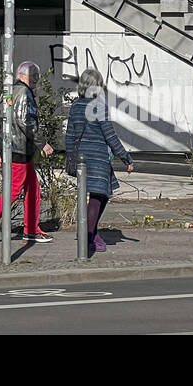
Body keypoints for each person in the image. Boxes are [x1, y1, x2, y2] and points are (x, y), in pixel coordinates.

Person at [0, 61, 54, 246]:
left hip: (10, 147)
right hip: (20, 149)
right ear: (30, 77)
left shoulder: (8, 92)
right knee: (14, 189)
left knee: (33, 187)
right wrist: (42, 143)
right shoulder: (25, 93)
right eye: (36, 78)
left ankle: (31, 230)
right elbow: (25, 121)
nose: (37, 81)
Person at [65, 67, 133, 256]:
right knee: (98, 196)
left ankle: (91, 233)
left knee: (100, 194)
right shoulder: (98, 106)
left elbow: (69, 135)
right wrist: (126, 157)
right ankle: (88, 237)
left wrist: (70, 158)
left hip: (81, 161)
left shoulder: (76, 106)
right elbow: (110, 135)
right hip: (98, 159)